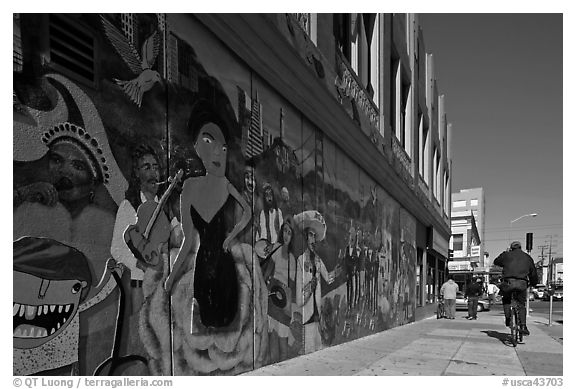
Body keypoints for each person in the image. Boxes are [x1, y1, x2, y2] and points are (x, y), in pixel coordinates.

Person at [164, 100, 251, 328]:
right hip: (204, 268)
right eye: (208, 141)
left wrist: (231, 237)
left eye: (223, 147)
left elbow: (248, 212)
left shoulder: (225, 184)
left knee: (222, 322)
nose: (217, 152)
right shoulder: (190, 188)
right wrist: (172, 277)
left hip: (224, 268)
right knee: (207, 323)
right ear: (196, 146)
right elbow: (187, 240)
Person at [111, 144, 164, 314]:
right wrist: (140, 264)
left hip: (162, 287)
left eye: (156, 167)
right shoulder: (129, 206)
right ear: (136, 173)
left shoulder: (165, 208)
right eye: (146, 167)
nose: (153, 173)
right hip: (139, 286)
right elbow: (116, 249)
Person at [293, 210, 340, 354]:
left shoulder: (318, 261)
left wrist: (335, 273)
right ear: (306, 238)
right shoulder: (301, 260)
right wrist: (310, 287)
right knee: (308, 350)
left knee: (318, 349)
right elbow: (299, 298)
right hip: (307, 316)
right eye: (310, 235)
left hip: (317, 315)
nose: (313, 240)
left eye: (315, 236)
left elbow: (328, 278)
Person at [264, 219, 298, 363]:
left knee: (283, 344)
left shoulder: (292, 258)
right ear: (281, 232)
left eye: (289, 233)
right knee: (272, 340)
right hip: (273, 298)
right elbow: (267, 273)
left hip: (285, 303)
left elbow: (291, 285)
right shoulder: (276, 249)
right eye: (285, 231)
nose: (286, 235)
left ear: (292, 237)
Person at [493, 241, 538, 335]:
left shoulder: (507, 255)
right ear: (520, 247)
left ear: (511, 247)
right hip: (522, 283)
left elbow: (496, 261)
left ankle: (508, 318)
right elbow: (533, 272)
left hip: (508, 282)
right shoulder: (527, 257)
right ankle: (523, 326)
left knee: (506, 299)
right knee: (521, 304)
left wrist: (504, 254)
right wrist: (533, 283)